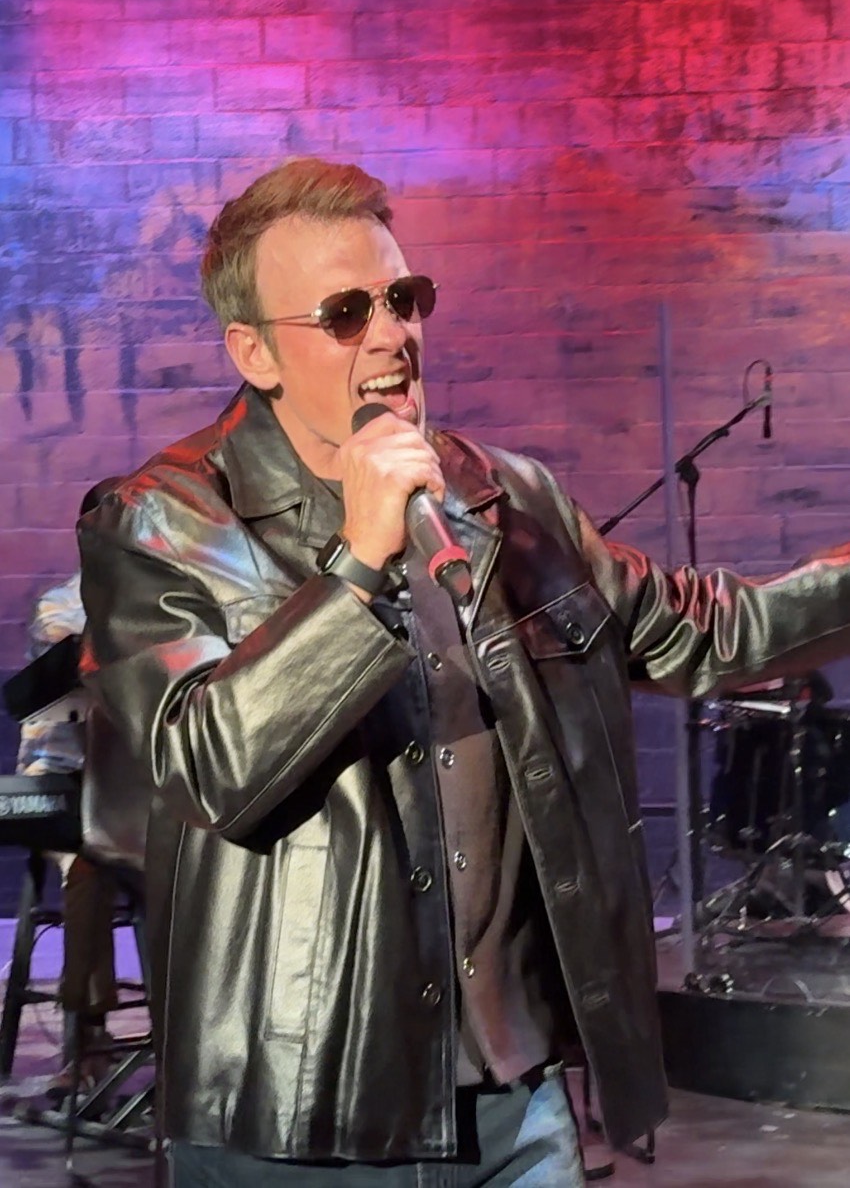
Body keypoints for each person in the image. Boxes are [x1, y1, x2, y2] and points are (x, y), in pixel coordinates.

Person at [76, 157, 850, 1187]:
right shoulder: (165, 518)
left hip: (516, 1101)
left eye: (403, 298)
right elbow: (209, 764)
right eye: (345, 313)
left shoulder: (506, 497)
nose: (391, 335)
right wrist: (357, 565)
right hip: (300, 1109)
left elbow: (704, 631)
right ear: (254, 351)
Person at [16, 480, 122, 1097]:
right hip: (63, 782)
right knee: (88, 864)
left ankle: (193, 1047)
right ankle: (86, 1040)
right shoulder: (60, 608)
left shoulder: (162, 604)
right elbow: (78, 670)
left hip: (130, 786)